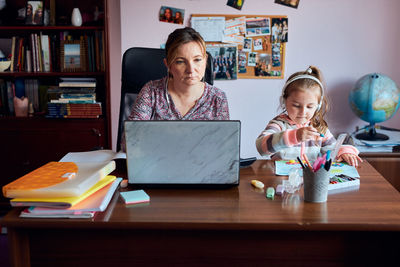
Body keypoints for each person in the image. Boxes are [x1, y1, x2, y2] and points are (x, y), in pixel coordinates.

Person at [256, 66, 362, 167]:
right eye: (296, 105)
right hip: (282, 180)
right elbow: (261, 147)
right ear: (285, 101)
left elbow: (333, 149)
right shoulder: (279, 124)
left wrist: (344, 152)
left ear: (318, 106)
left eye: (310, 106)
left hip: (310, 181)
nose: (303, 112)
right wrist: (295, 136)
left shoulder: (319, 128)